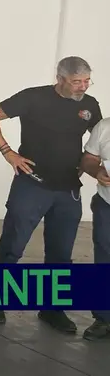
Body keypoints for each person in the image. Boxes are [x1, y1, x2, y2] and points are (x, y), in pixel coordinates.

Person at [0, 56, 101, 332]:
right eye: (76, 82)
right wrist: (8, 152)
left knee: (61, 255)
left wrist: (91, 167)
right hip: (31, 185)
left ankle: (52, 309)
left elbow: (99, 141)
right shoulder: (33, 98)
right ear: (60, 79)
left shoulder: (90, 105)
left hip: (68, 188)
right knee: (12, 247)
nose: (82, 87)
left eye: (86, 81)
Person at [79, 115, 110, 340]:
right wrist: (97, 171)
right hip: (107, 205)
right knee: (104, 261)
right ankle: (103, 319)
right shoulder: (105, 126)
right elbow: (89, 159)